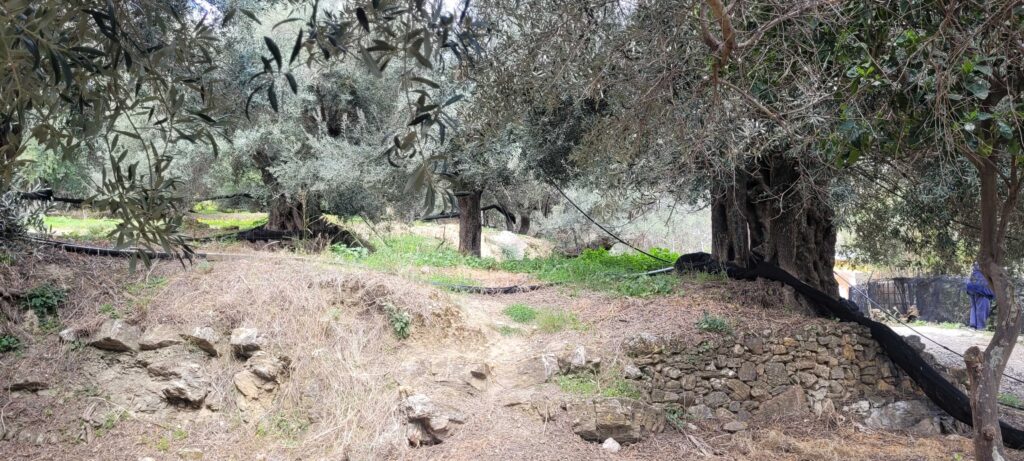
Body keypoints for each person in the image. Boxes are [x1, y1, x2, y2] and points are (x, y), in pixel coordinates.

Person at [965, 263, 995, 330]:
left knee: (974, 307)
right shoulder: (986, 264)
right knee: (982, 308)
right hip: (981, 289)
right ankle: (980, 327)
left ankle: (973, 325)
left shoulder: (976, 265)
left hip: (971, 286)